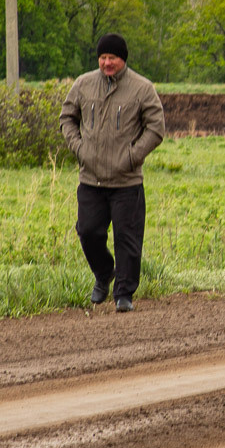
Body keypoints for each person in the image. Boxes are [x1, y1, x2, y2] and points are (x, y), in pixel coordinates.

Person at [60, 33, 167, 313]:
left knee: (127, 237)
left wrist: (132, 156)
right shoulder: (83, 84)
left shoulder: (142, 88)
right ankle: (105, 273)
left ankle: (124, 294)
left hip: (126, 180)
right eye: (103, 57)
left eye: (113, 58)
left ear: (123, 59)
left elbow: (156, 129)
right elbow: (67, 118)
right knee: (88, 231)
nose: (107, 63)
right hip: (90, 177)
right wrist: (79, 149)